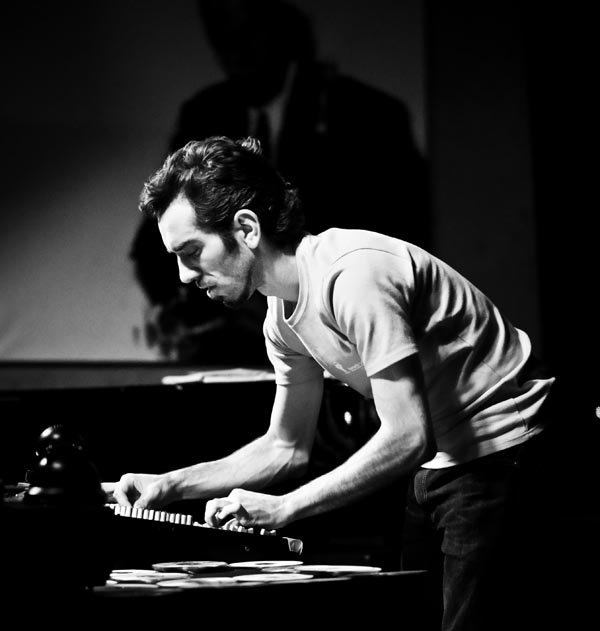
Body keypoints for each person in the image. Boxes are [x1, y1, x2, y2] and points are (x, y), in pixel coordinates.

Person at [102, 135, 598, 630]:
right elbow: (284, 447)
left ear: (247, 228)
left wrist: (286, 507)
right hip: (441, 461)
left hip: (507, 449)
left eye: (191, 251)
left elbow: (406, 435)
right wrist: (168, 485)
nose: (184, 276)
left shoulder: (352, 275)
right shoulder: (280, 320)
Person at [130, 0, 430, 364]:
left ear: (280, 29)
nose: (234, 54)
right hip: (226, 345)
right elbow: (157, 240)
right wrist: (185, 312)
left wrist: (292, 298)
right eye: (221, 41)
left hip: (345, 333)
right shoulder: (203, 113)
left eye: (245, 36)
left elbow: (400, 240)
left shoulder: (368, 114)